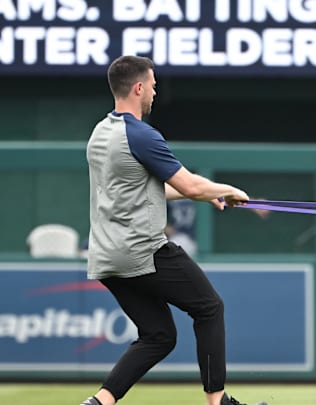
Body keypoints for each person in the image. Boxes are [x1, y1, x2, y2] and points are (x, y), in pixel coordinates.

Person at [81, 55, 254, 405]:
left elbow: (148, 188)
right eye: (154, 86)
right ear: (139, 87)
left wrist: (212, 195)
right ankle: (217, 401)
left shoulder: (101, 133)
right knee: (209, 308)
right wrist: (228, 188)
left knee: (158, 335)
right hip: (142, 250)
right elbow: (189, 185)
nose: (155, 94)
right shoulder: (141, 135)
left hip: (106, 257)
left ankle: (99, 402)